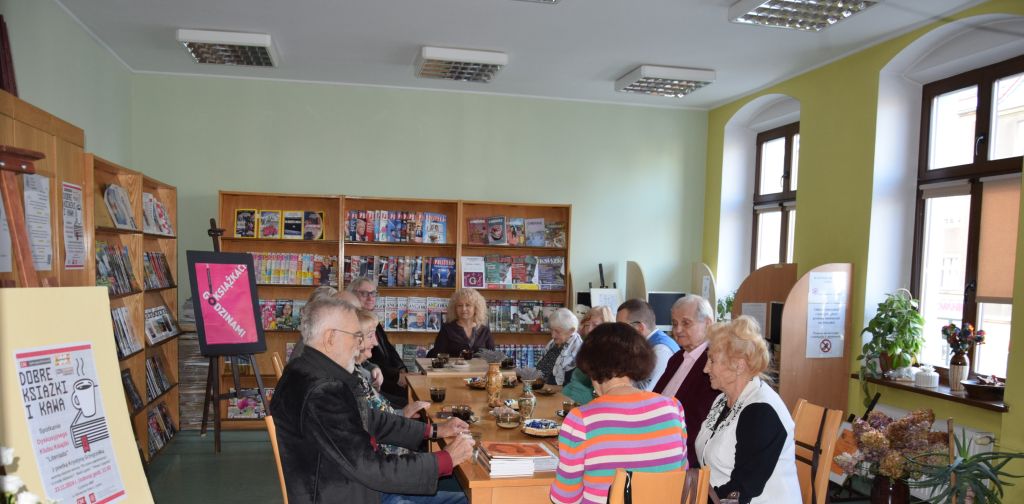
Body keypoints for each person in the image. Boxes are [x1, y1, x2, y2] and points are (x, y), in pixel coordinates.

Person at [270, 296, 474, 504]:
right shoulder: (321, 391)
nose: (361, 345)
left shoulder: (308, 370)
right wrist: (444, 459)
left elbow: (371, 419)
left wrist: (433, 430)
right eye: (357, 336)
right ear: (331, 337)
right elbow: (370, 467)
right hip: (349, 493)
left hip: (353, 485)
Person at [550, 322, 688, 504]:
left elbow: (565, 498)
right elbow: (681, 475)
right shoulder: (673, 408)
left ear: (590, 365)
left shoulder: (581, 419)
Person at [694, 316, 800, 504]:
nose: (705, 368)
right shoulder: (722, 400)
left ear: (738, 365)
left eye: (712, 360)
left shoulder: (761, 413)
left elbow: (741, 490)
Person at [653, 295, 719, 469]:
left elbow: (700, 420)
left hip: (683, 452)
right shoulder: (676, 358)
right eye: (674, 324)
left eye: (686, 323)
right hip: (658, 441)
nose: (678, 330)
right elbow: (656, 398)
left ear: (708, 323)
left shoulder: (714, 363)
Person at [353, 309, 430, 455]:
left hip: (394, 442)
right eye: (371, 336)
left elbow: (377, 416)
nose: (375, 342)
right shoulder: (352, 379)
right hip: (390, 456)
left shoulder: (356, 369)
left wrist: (402, 413)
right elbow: (375, 426)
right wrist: (403, 415)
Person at [349, 276, 410, 408]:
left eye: (373, 293)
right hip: (379, 384)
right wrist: (397, 377)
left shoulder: (374, 321)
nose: (370, 298)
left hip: (384, 380)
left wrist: (402, 370)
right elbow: (371, 361)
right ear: (352, 296)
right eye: (364, 294)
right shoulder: (353, 324)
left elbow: (390, 350)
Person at [616, 299, 680, 390]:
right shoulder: (642, 345)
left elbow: (646, 391)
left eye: (621, 328)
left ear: (640, 328)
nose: (618, 334)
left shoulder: (661, 350)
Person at [561, 306, 614, 405]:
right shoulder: (588, 347)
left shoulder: (610, 352)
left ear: (607, 326)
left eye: (595, 325)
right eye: (587, 325)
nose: (589, 329)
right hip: (573, 399)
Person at [427, 288, 494, 358]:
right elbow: (437, 355)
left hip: (479, 369)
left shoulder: (484, 331)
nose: (463, 309)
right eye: (459, 305)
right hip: (452, 368)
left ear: (476, 308)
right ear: (455, 308)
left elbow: (493, 358)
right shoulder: (447, 329)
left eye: (468, 305)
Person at [534, 308, 582, 386]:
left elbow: (570, 385)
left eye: (557, 331)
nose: (553, 335)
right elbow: (540, 370)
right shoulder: (553, 344)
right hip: (544, 390)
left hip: (563, 395)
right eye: (551, 330)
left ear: (571, 330)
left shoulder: (579, 351)